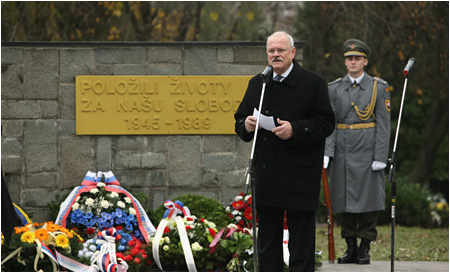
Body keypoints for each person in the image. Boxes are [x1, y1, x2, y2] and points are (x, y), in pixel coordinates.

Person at [234, 31, 335, 272]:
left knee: (301, 242)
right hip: (268, 172)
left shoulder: (313, 83)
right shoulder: (258, 83)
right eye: (271, 51)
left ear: (293, 53)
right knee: (267, 241)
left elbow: (326, 123)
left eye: (280, 50)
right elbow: (240, 119)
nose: (275, 55)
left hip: (300, 174)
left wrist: (296, 129)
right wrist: (245, 125)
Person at [324, 39, 391, 265]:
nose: (353, 62)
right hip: (343, 151)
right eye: (349, 58)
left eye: (357, 58)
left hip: (367, 150)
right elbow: (330, 123)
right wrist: (327, 152)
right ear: (345, 62)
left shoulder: (378, 88)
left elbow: (383, 124)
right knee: (343, 201)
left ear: (365, 61)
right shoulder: (334, 88)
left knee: (369, 202)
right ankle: (350, 247)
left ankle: (364, 248)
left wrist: (380, 156)